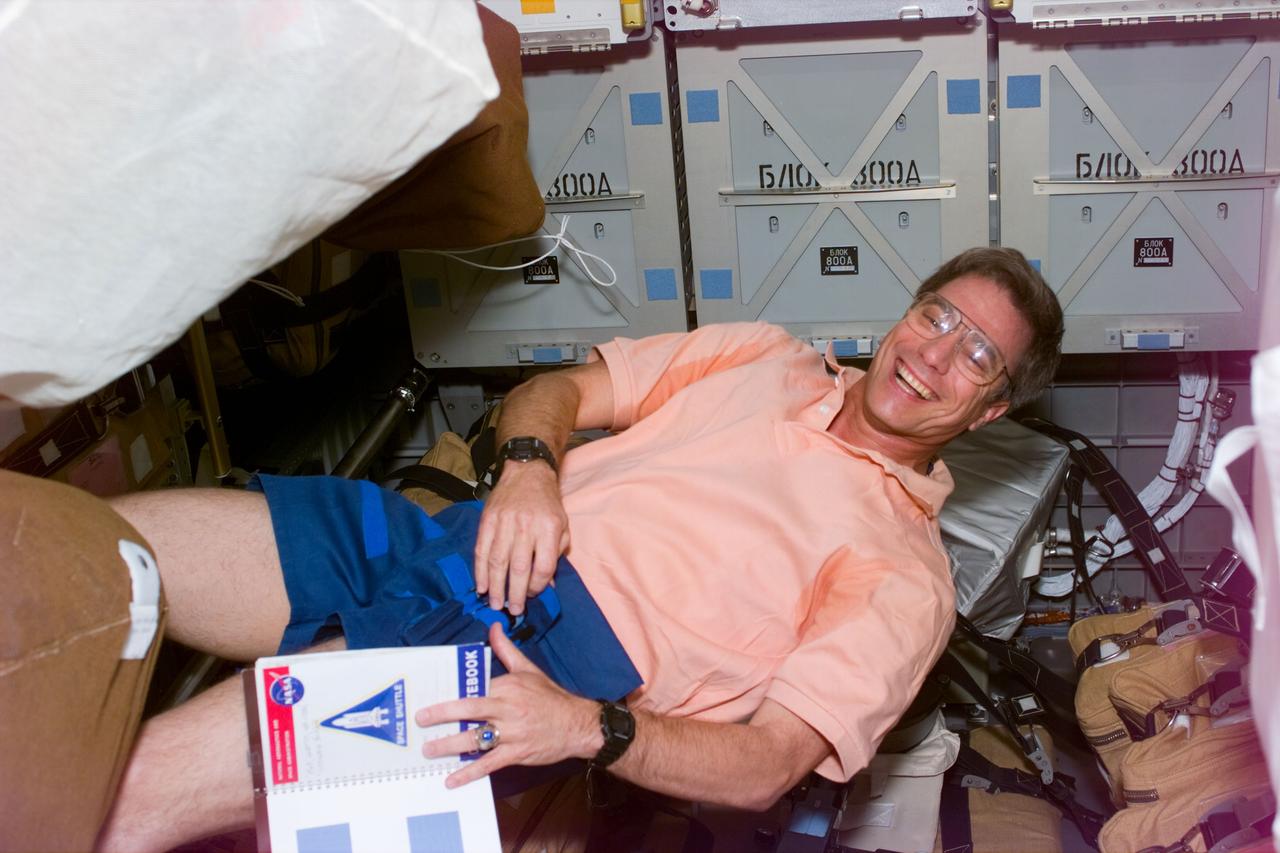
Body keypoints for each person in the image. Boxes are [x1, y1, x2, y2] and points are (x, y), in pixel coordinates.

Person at [96, 247, 1063, 852]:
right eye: (938, 314)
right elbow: (559, 392)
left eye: (978, 354)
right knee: (99, 553)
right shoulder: (767, 356)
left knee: (126, 794)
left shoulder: (906, 575)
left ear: (993, 406)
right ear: (908, 309)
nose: (935, 353)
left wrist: (582, 730)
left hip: (533, 651)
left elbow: (766, 764)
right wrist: (525, 468)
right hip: (461, 532)